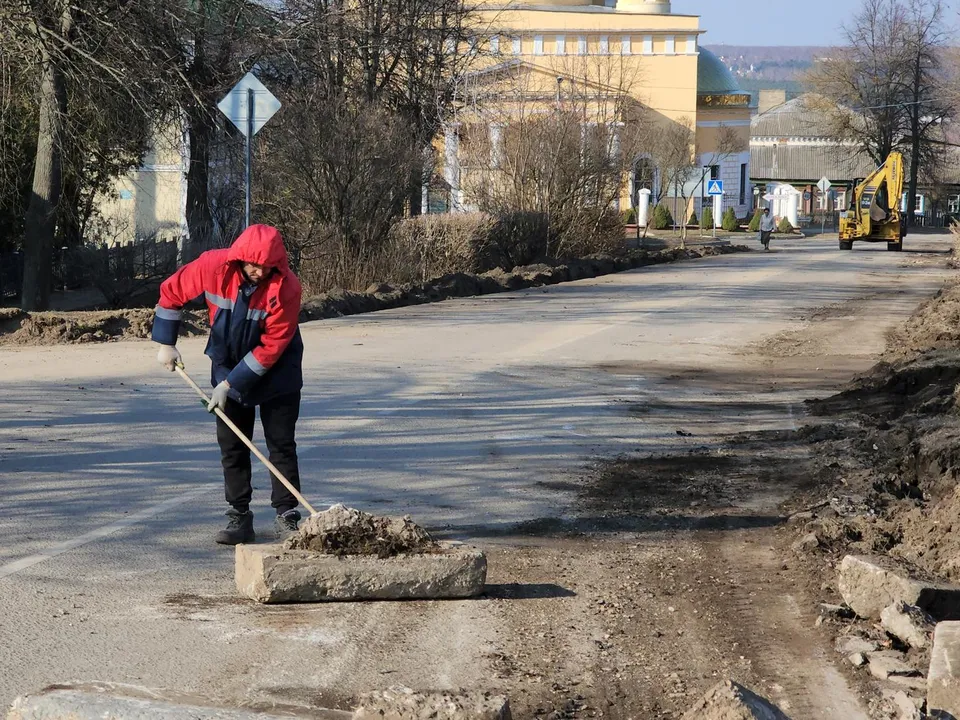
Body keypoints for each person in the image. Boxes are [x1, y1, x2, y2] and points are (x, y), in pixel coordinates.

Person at [152, 224, 305, 545]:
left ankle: (287, 515)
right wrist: (166, 342)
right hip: (227, 361)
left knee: (280, 444)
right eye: (251, 264)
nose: (257, 271)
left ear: (276, 264)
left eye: (265, 266)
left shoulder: (287, 287)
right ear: (238, 258)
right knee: (233, 444)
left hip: (278, 369)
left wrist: (230, 385)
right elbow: (171, 292)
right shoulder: (212, 266)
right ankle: (239, 516)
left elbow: (272, 347)